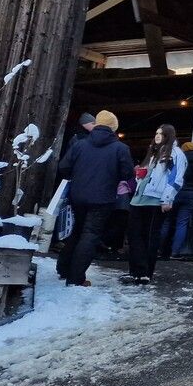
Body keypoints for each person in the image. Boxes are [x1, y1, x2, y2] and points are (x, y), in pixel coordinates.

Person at [56, 110, 134, 286]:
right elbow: (128, 173)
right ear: (114, 128)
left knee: (77, 231)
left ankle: (63, 268)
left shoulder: (80, 145)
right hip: (102, 198)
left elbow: (64, 167)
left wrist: (78, 176)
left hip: (78, 196)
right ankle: (76, 278)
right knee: (90, 235)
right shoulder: (121, 149)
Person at [124, 124, 185, 285]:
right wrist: (138, 178)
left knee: (149, 236)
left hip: (155, 200)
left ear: (169, 136)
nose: (158, 136)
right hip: (139, 198)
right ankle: (135, 271)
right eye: (156, 133)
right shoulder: (154, 153)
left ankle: (145, 272)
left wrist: (167, 199)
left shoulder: (175, 154)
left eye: (162, 134)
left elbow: (176, 178)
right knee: (134, 235)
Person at [160, 141, 193, 259]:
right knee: (182, 223)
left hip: (174, 192)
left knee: (167, 221)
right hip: (190, 194)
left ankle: (159, 249)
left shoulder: (178, 160)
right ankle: (175, 253)